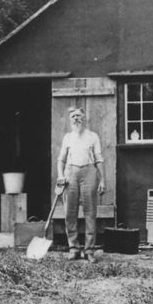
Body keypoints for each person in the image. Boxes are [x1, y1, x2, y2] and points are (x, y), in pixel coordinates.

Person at [56, 106, 106, 261]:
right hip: (70, 173)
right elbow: (61, 160)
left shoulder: (93, 136)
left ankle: (89, 250)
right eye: (73, 116)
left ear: (84, 118)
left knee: (90, 212)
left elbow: (99, 159)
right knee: (69, 213)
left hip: (89, 172)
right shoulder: (67, 137)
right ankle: (74, 248)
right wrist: (60, 175)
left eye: (79, 116)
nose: (76, 119)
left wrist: (102, 180)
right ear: (70, 120)